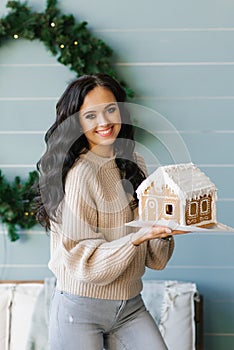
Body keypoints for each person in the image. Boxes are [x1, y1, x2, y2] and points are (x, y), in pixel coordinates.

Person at [36, 73, 185, 350]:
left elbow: (156, 260)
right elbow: (82, 261)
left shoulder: (134, 163)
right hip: (79, 309)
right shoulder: (80, 173)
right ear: (76, 122)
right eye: (90, 115)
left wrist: (163, 231)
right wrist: (136, 239)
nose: (104, 122)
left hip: (130, 305)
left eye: (111, 109)